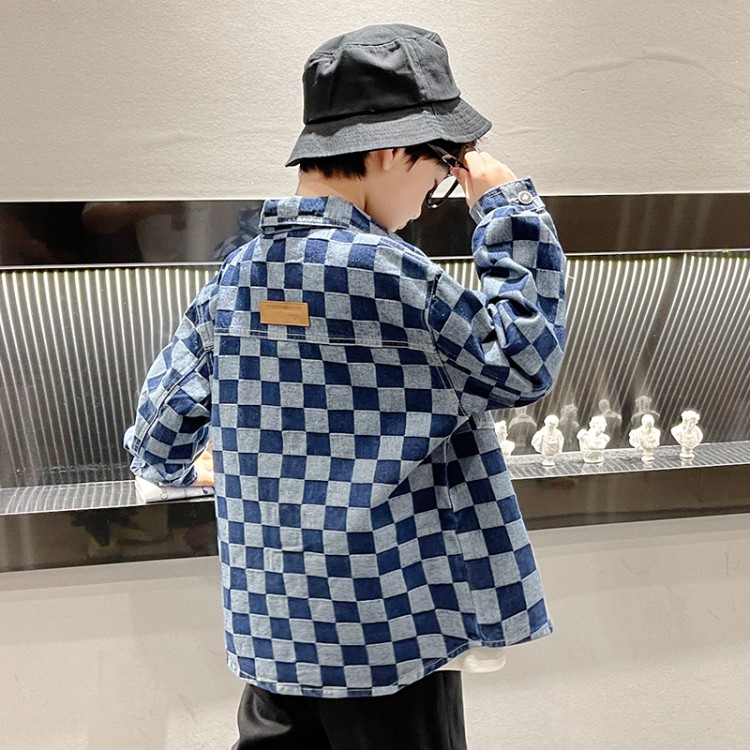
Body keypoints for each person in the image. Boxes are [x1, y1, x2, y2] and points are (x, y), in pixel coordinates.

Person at [124, 23, 567, 750]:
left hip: (275, 637)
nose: (430, 197)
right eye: (439, 173)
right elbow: (520, 364)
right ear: (391, 152)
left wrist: (205, 467)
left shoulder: (239, 275)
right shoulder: (391, 274)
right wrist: (507, 211)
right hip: (390, 638)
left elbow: (157, 438)